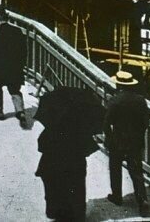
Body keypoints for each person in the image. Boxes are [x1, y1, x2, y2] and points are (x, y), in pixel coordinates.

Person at [35, 81, 103, 222]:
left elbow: (41, 145)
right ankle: (78, 215)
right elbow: (87, 149)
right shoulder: (80, 130)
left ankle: (55, 212)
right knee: (77, 189)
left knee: (54, 188)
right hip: (75, 164)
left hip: (53, 163)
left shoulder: (51, 130)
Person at [104, 69, 150, 216]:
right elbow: (145, 122)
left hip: (118, 139)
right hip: (135, 141)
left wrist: (110, 138)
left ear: (118, 85)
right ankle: (142, 201)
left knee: (115, 168)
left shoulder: (114, 100)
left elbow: (106, 123)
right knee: (136, 171)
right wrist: (138, 135)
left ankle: (117, 196)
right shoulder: (140, 100)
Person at [0, 5, 29, 127]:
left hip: (0, 67)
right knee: (15, 90)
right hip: (15, 67)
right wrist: (22, 64)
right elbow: (23, 50)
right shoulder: (17, 31)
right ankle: (20, 112)